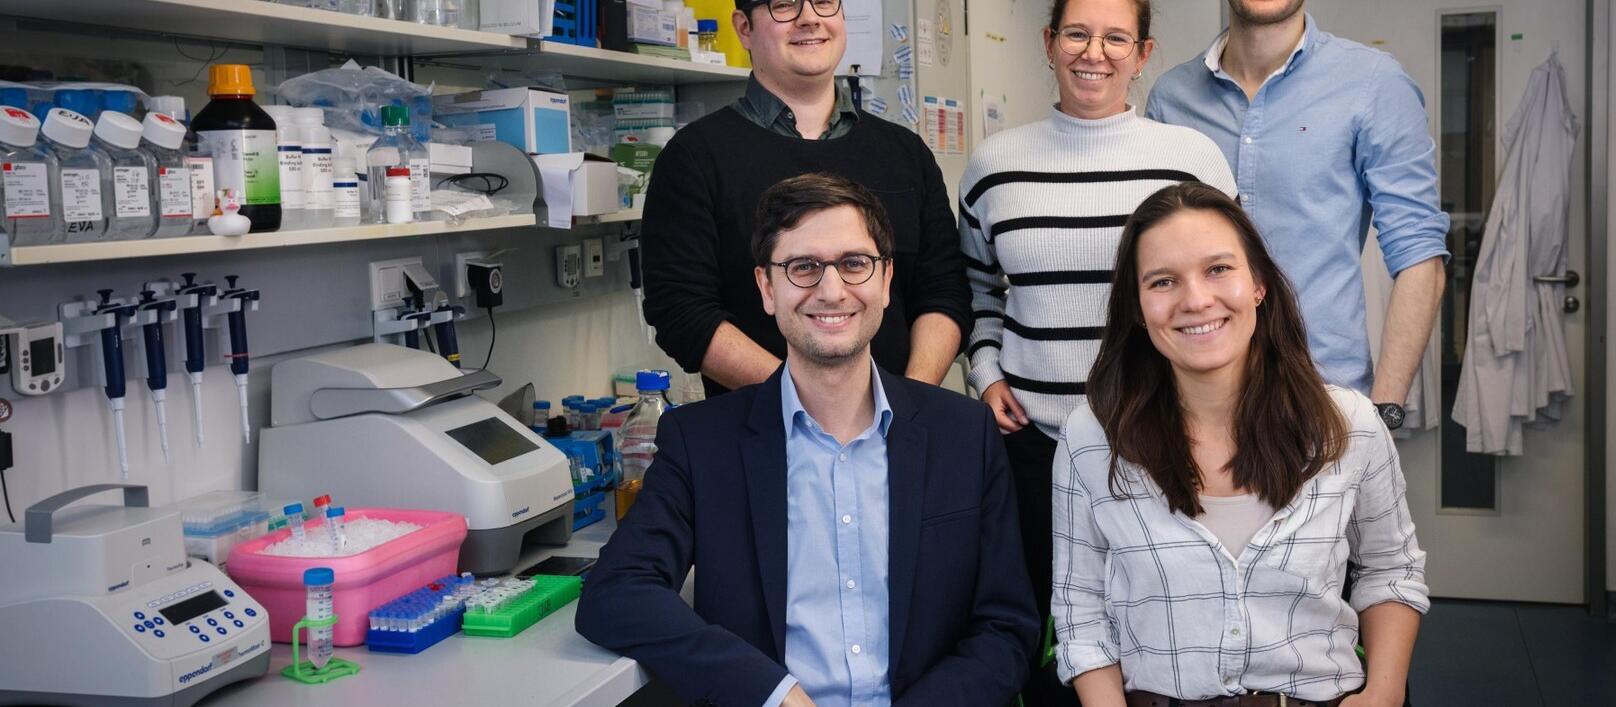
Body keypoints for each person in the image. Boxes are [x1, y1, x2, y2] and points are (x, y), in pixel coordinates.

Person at [577, 173, 1040, 707]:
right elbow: (615, 592)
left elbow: (1007, 627)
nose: (831, 289)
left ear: (886, 280)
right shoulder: (703, 442)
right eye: (804, 267)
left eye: (853, 263)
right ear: (767, 288)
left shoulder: (963, 434)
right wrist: (774, 694)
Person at [1053, 182, 1427, 707]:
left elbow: (1392, 568)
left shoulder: (1349, 424)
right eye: (1163, 281)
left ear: (1258, 285)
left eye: (1218, 269)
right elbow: (1080, 608)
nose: (1196, 299)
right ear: (1137, 308)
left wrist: (1383, 695)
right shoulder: (1092, 438)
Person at [957, 0, 1232, 700]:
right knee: (1047, 636)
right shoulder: (994, 165)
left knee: (1162, 631)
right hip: (1033, 446)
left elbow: (1226, 292)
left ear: (1143, 54)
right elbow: (978, 291)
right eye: (1077, 33)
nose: (1094, 52)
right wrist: (986, 371)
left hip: (1162, 436)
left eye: (1116, 38)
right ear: (1049, 43)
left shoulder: (1191, 161)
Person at [1145, 0, 1450, 433]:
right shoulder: (1172, 96)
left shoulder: (1373, 83)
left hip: (1321, 403)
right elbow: (1154, 258)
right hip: (1195, 410)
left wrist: (1384, 413)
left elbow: (1421, 257)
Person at [640, 0, 971, 399]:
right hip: (759, 439)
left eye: (826, 2)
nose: (810, 18)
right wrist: (809, 407)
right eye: (784, 5)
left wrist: (908, 401)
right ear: (744, 27)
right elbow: (682, 311)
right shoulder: (694, 156)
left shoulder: (905, 153)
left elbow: (944, 291)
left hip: (899, 434)